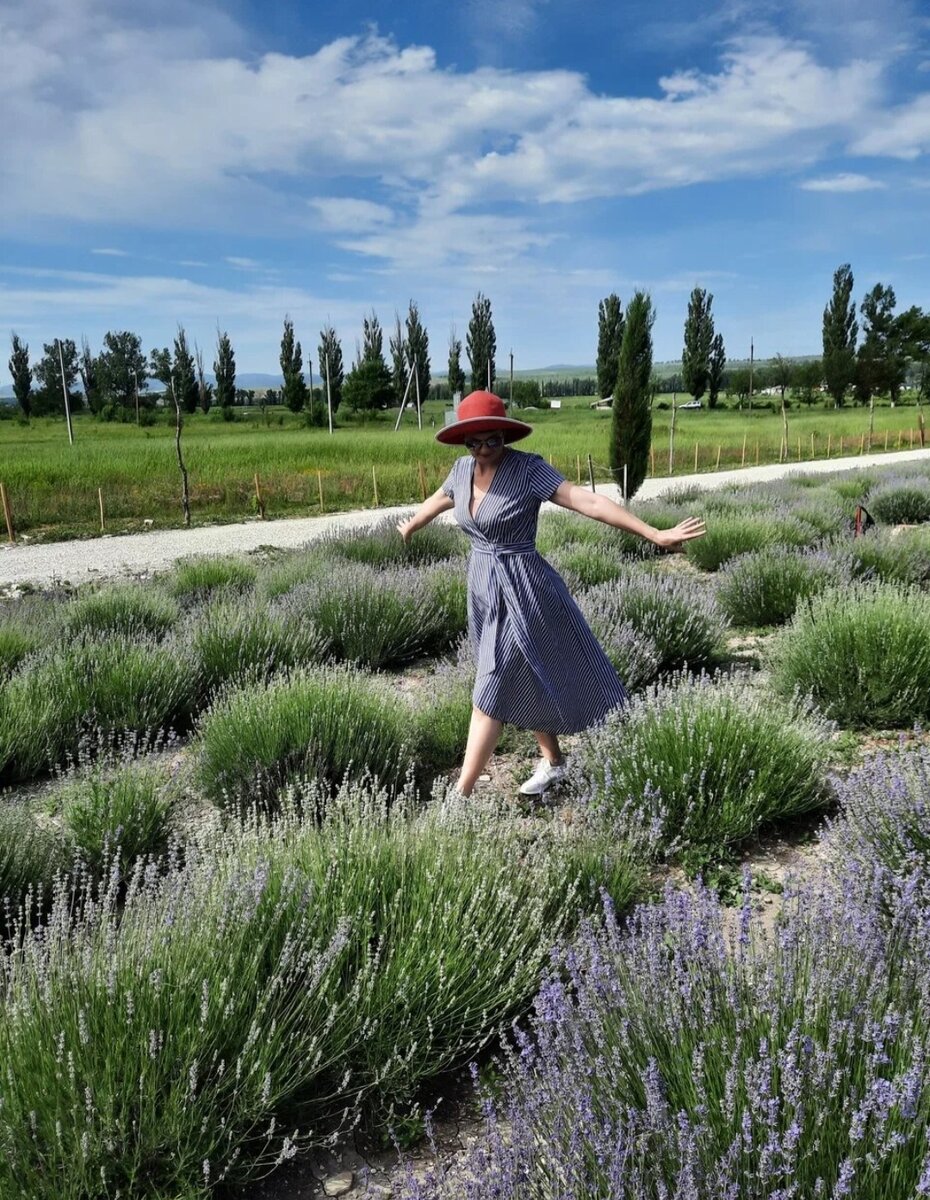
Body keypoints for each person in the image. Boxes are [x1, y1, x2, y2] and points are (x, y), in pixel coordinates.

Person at [397, 390, 705, 798]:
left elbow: (586, 500)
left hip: (524, 587)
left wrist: (654, 533)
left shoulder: (528, 470)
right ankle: (555, 762)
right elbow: (438, 500)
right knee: (524, 672)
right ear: (464, 441)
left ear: (506, 436)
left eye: (493, 440)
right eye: (475, 442)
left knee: (490, 686)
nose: (484, 449)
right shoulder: (461, 470)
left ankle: (461, 796)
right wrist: (410, 526)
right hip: (483, 589)